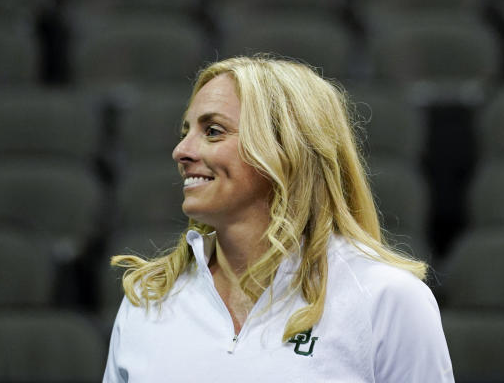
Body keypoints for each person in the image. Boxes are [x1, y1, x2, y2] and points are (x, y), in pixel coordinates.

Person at [104, 55, 454, 382]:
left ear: (286, 149)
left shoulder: (387, 298)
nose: (181, 151)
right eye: (186, 132)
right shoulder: (147, 297)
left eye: (212, 131)